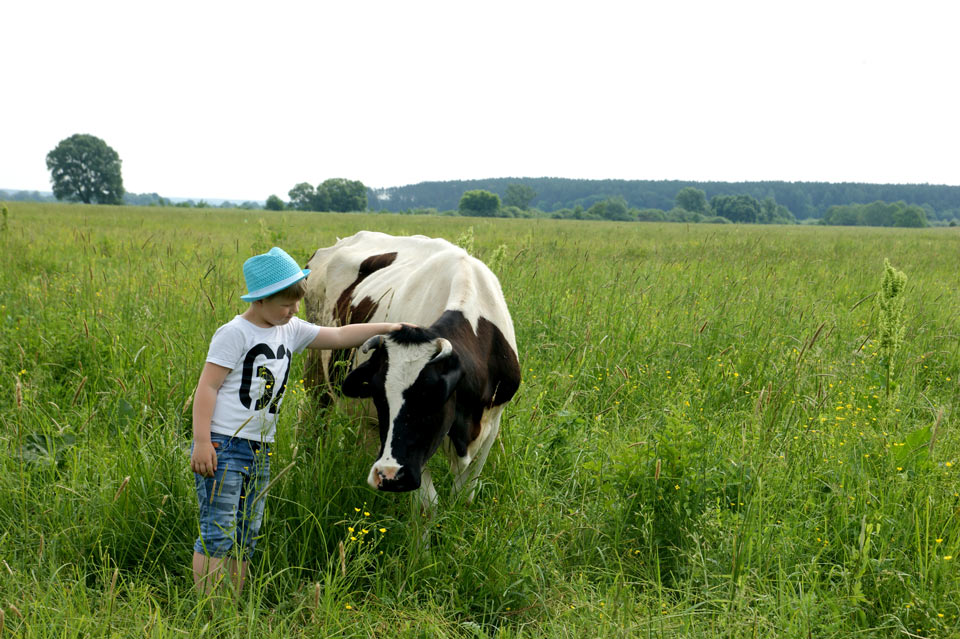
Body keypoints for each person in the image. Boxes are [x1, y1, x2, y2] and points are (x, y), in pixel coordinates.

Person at [189, 246, 402, 596]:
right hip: (223, 445)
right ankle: (208, 606)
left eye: (297, 303)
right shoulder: (234, 333)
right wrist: (201, 441)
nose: (293, 311)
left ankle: (235, 599)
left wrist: (393, 327)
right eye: (285, 304)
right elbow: (207, 387)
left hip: (261, 448)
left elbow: (338, 336)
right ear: (259, 300)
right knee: (218, 529)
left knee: (247, 530)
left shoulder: (290, 329)